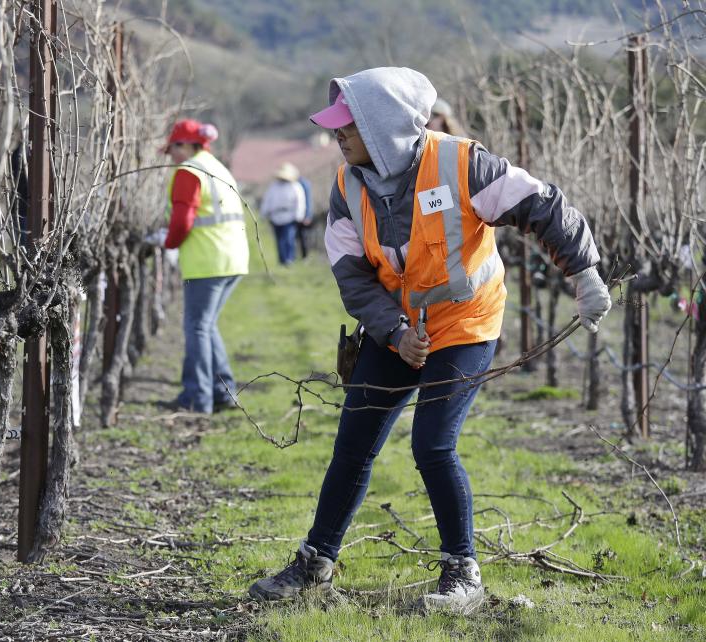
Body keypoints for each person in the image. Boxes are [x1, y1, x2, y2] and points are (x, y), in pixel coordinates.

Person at [248, 68, 611, 614]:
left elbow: (543, 204)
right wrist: (394, 333)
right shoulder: (348, 185)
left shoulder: (463, 164)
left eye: (347, 128)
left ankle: (463, 574)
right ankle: (315, 562)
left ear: (382, 129)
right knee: (353, 441)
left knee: (432, 444)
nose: (337, 137)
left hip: (465, 324)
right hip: (398, 327)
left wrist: (584, 274)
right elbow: (352, 275)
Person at [161, 119, 249, 414]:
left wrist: (168, 242)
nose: (170, 156)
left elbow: (183, 220)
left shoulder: (188, 171)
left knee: (198, 327)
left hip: (207, 261)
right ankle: (222, 393)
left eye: (173, 148)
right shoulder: (216, 166)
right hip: (232, 258)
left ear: (186, 145)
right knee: (206, 326)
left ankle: (200, 400)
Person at [260, 162, 307, 265]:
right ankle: (282, 260)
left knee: (289, 238)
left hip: (289, 216)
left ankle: (289, 259)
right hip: (275, 217)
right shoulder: (274, 187)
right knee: (279, 240)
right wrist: (264, 213)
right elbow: (267, 200)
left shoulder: (295, 186)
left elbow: (300, 202)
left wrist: (299, 215)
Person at [296, 174, 314, 258]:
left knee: (303, 236)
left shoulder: (303, 184)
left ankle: (305, 256)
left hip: (303, 215)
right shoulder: (299, 183)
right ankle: (302, 256)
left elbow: (308, 201)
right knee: (301, 236)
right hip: (298, 215)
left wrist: (307, 216)